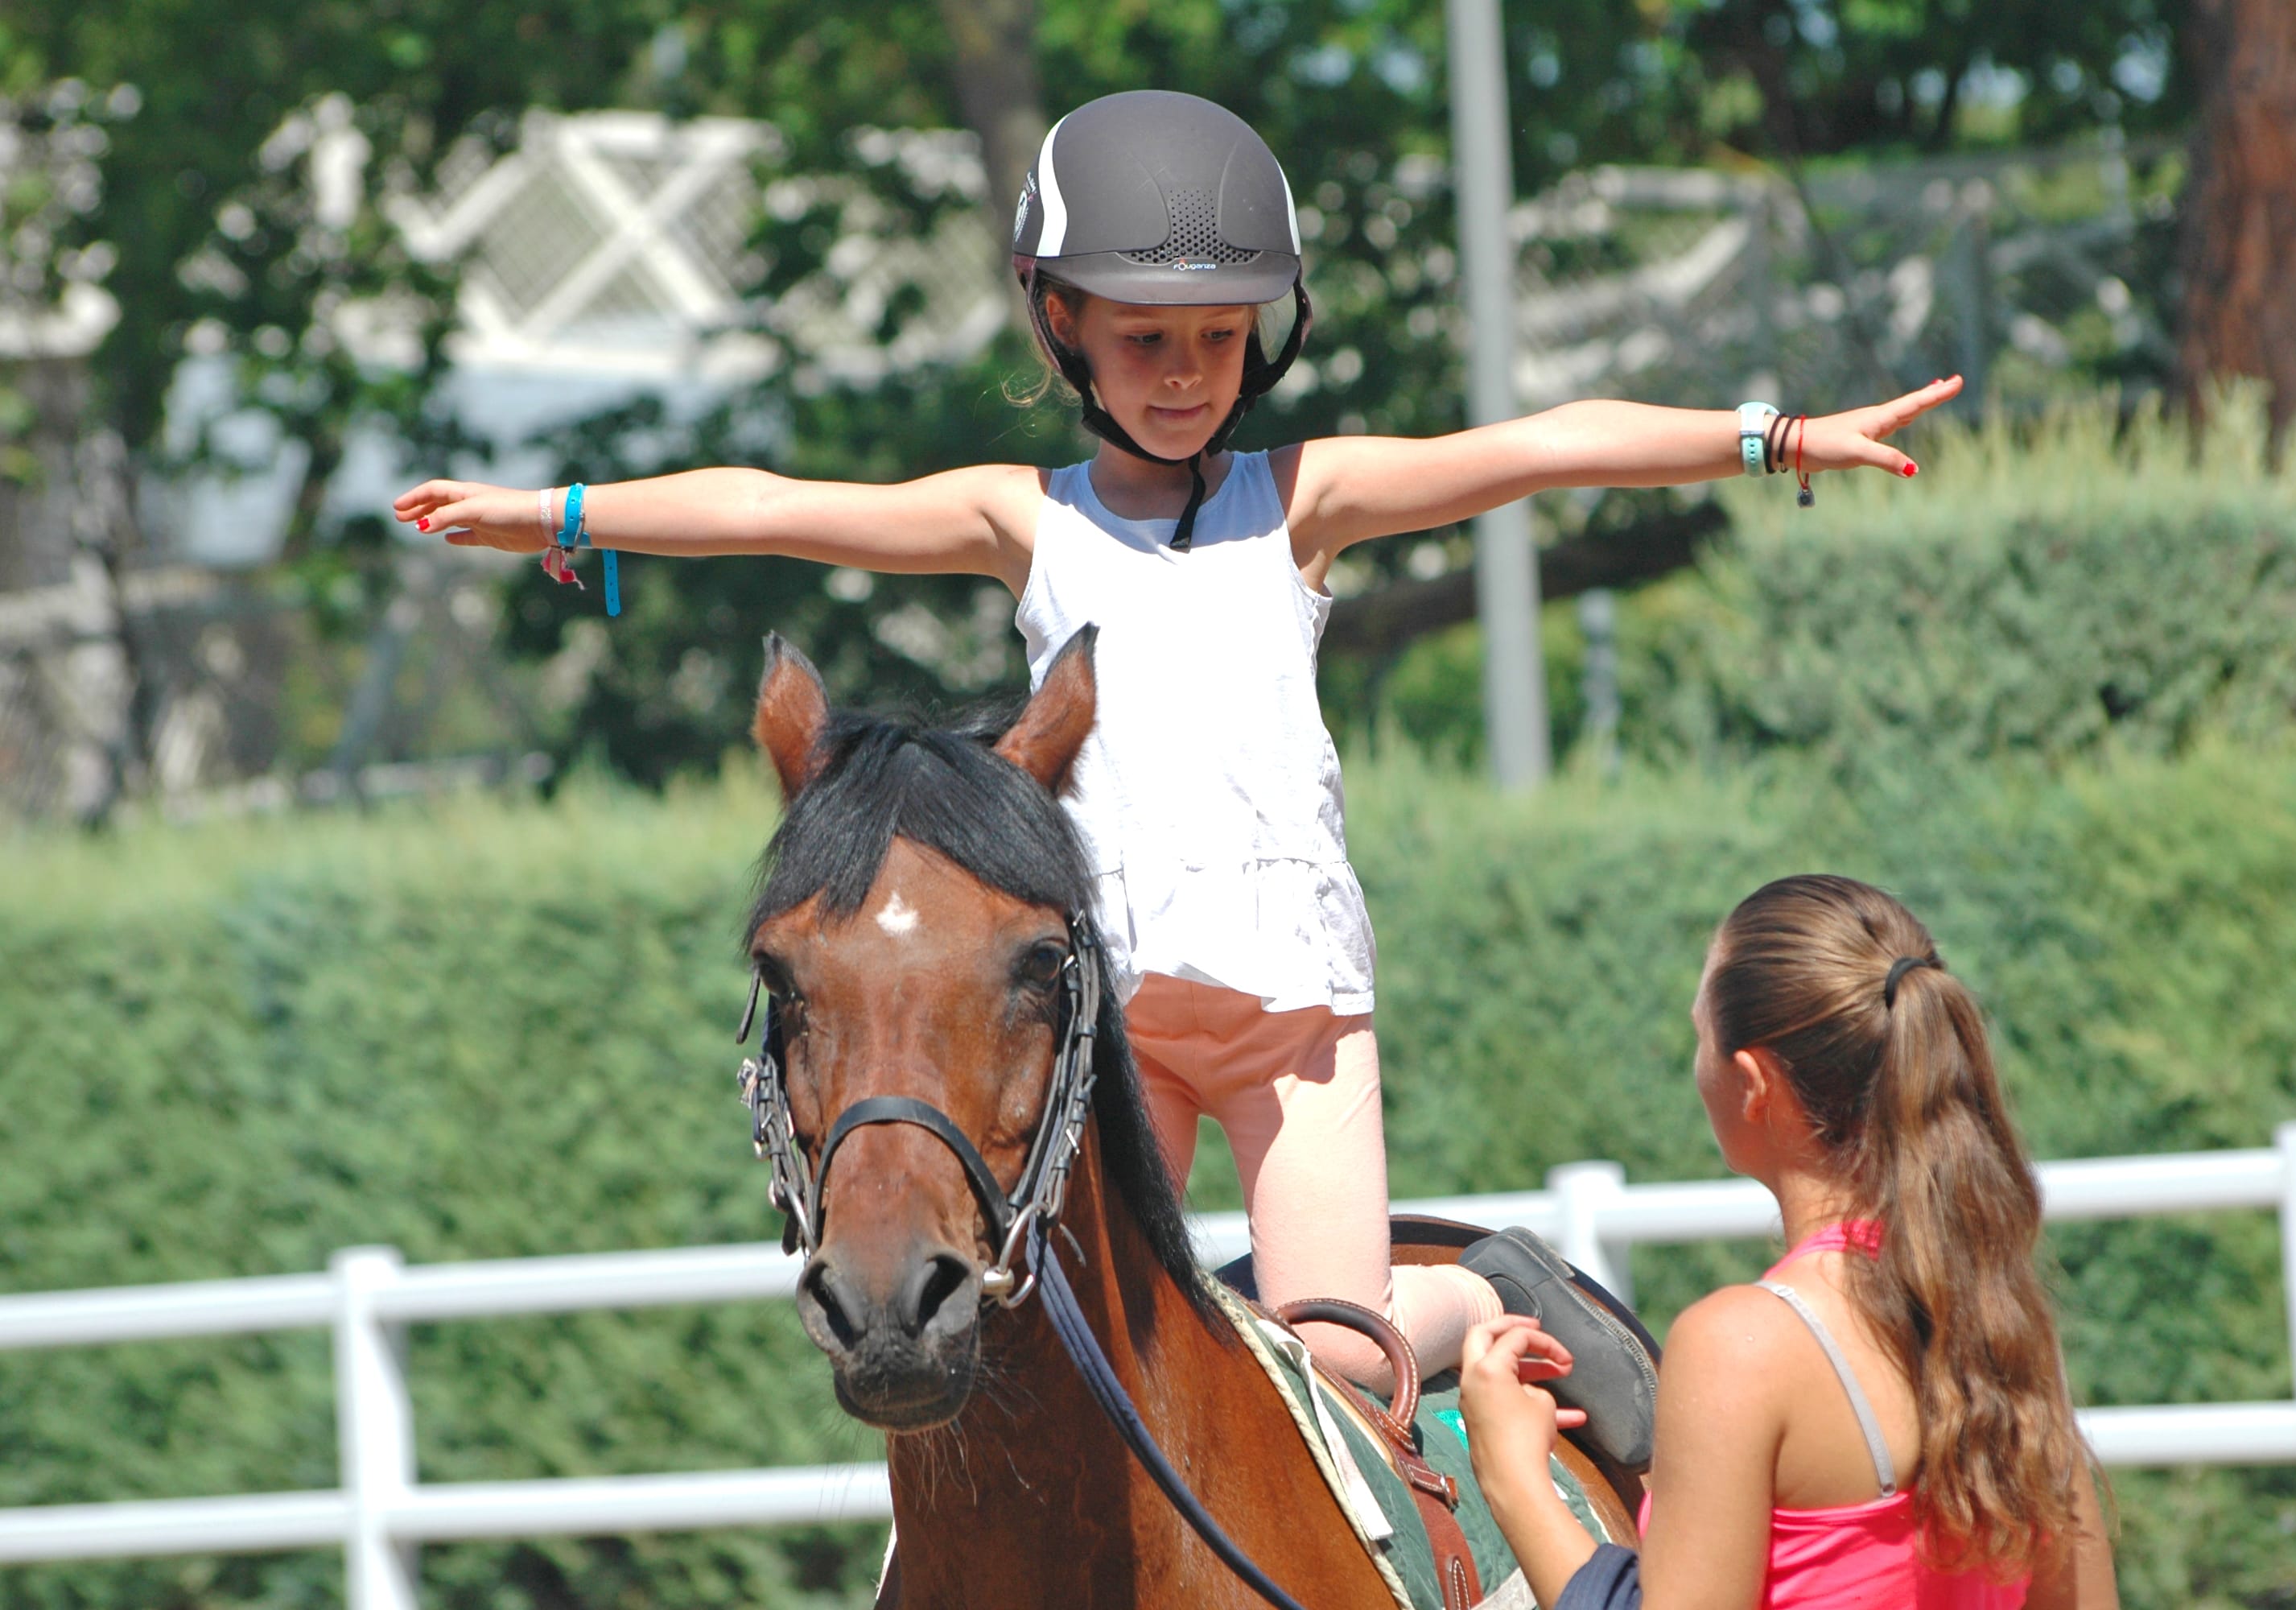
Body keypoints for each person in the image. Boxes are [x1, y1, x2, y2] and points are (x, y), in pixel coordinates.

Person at [393, 91, 1959, 1443]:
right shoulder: (1027, 517)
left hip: (1296, 1016)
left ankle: (1469, 1291)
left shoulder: (1309, 495)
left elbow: (1543, 444)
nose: (1185, 369)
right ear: (1058, 319)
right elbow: (768, 503)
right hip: (1107, 1019)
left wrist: (1774, 436)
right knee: (1021, 1370)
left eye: (1218, 339)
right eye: (1145, 338)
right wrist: (567, 512)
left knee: (1342, 1367)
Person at [1457, 874, 2120, 1609]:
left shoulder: (1743, 1347)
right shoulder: (2003, 1322)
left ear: (1752, 1081)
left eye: (1700, 1036)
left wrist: (1513, 1476)